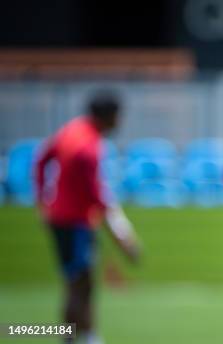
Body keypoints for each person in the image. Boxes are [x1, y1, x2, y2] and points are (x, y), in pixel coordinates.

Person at [35, 90, 140, 344]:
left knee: (84, 280)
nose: (120, 122)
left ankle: (87, 334)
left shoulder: (71, 131)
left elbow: (41, 160)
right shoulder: (87, 148)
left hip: (65, 218)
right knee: (77, 282)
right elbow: (96, 196)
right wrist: (122, 238)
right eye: (118, 116)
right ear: (108, 116)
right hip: (74, 222)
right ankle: (73, 338)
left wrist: (42, 200)